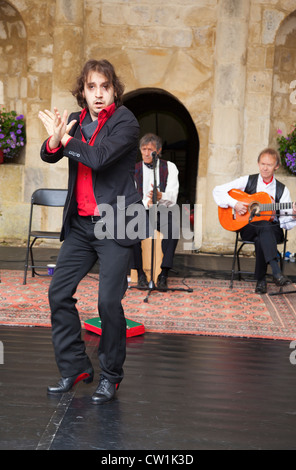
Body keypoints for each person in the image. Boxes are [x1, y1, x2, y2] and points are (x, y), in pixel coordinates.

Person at [38, 59, 142, 404]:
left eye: (105, 87)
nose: (98, 94)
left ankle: (111, 376)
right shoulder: (75, 120)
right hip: (82, 226)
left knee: (108, 302)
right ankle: (75, 367)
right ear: (82, 92)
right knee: (58, 293)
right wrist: (56, 139)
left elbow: (97, 158)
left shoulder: (125, 121)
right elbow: (49, 153)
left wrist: (65, 139)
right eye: (91, 87)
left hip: (116, 222)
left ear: (114, 90)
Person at [213, 148, 296, 294]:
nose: (265, 168)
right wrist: (235, 204)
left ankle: (261, 281)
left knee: (263, 231)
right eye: (262, 163)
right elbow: (217, 190)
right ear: (258, 163)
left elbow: (285, 223)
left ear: (276, 166)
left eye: (269, 165)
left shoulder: (281, 190)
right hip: (248, 228)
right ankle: (276, 272)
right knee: (262, 226)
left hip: (273, 230)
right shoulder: (247, 181)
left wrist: (294, 214)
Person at [133, 133, 179, 290]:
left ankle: (164, 273)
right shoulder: (134, 169)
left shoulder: (170, 167)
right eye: (143, 149)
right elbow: (131, 195)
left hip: (162, 210)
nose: (146, 153)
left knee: (174, 228)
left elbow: (173, 196)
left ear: (158, 151)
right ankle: (140, 274)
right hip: (142, 210)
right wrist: (147, 202)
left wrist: (160, 197)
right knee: (130, 229)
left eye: (150, 150)